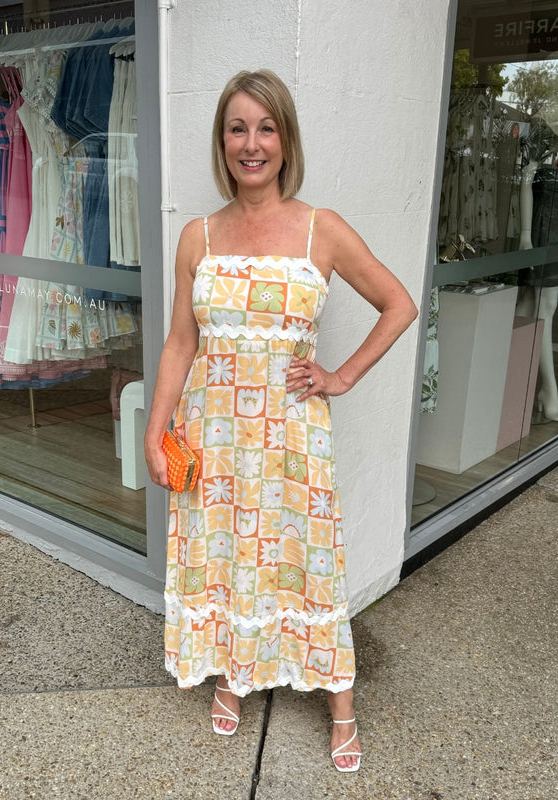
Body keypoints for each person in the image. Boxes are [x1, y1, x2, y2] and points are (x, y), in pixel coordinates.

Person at [144, 69, 417, 773]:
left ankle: (342, 706)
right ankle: (235, 672)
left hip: (293, 438)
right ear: (222, 141)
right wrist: (156, 428)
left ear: (286, 139)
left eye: (265, 128)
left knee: (307, 563)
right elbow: (181, 341)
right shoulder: (198, 237)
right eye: (238, 128)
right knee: (232, 555)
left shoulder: (321, 230)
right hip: (215, 436)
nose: (251, 143)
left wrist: (342, 376)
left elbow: (398, 303)